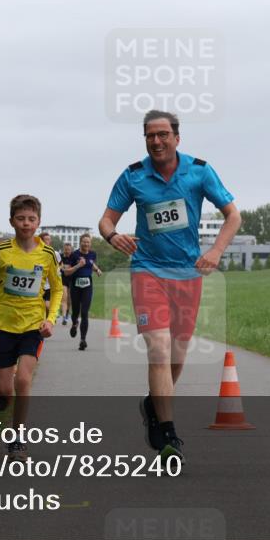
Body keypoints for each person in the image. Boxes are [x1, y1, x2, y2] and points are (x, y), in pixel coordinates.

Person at [98, 110, 240, 464]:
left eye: (163, 134)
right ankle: (169, 434)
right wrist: (113, 236)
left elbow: (233, 215)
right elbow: (105, 220)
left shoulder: (199, 171)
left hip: (188, 275)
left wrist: (216, 251)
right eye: (150, 136)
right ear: (145, 139)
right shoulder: (133, 176)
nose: (157, 141)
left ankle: (153, 403)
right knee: (159, 349)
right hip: (147, 271)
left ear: (177, 138)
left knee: (177, 355)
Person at [0, 195, 62, 461]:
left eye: (31, 219)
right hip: (2, 325)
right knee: (6, 390)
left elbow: (57, 289)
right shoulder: (1, 252)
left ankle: (18, 438)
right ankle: (1, 392)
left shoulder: (47, 255)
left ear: (38, 222)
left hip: (32, 326)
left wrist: (51, 320)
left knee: (23, 379)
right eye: (21, 218)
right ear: (11, 221)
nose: (26, 223)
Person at [63, 234, 102, 350]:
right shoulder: (74, 255)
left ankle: (82, 340)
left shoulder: (92, 254)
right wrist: (78, 266)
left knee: (84, 313)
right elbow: (66, 272)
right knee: (75, 312)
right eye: (84, 242)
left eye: (88, 242)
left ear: (90, 244)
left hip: (87, 287)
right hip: (75, 287)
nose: (86, 244)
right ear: (80, 242)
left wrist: (97, 269)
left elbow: (91, 263)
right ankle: (74, 324)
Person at [38, 232, 62, 318]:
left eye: (49, 239)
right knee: (39, 307)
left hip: (49, 285)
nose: (48, 241)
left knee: (47, 306)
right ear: (41, 241)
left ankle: (49, 320)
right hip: (38, 284)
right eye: (46, 240)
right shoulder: (36, 253)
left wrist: (57, 271)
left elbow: (60, 264)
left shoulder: (55, 253)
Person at [59, 242, 74, 325]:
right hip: (63, 280)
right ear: (63, 249)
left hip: (72, 280)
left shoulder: (73, 257)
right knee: (64, 298)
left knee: (70, 300)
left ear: (71, 250)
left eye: (68, 250)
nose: (67, 251)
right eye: (65, 249)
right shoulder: (60, 257)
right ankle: (64, 317)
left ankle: (67, 313)